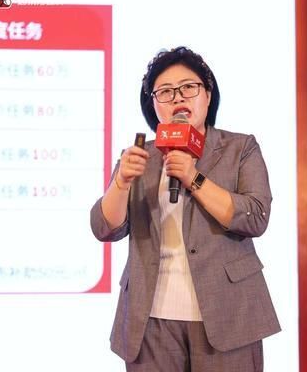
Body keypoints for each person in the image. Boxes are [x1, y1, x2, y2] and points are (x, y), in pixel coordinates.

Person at [90, 47, 280, 372]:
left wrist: (193, 177)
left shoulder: (240, 148)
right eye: (165, 91)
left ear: (208, 95)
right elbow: (104, 228)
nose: (178, 97)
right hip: (149, 320)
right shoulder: (139, 156)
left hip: (228, 313)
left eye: (189, 87)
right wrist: (121, 182)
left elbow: (256, 216)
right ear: (153, 105)